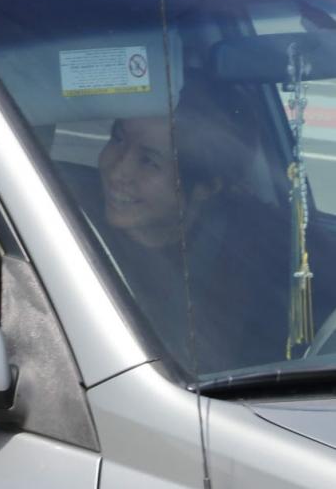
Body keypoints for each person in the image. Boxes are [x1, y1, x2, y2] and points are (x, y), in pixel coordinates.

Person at [86, 83, 288, 374]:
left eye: (149, 161)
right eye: (118, 139)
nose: (118, 171)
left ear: (207, 187)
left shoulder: (254, 260)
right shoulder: (63, 220)